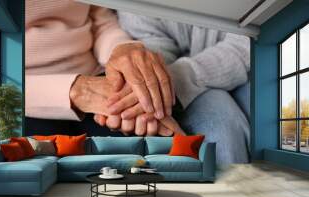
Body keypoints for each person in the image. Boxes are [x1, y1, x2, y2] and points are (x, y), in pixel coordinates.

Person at [96, 12, 251, 164]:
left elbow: (248, 44)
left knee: (263, 113)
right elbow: (155, 40)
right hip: (185, 77)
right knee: (220, 130)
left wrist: (162, 86)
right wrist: (143, 84)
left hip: (257, 65)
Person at [25, 0, 183, 136]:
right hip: (23, 97)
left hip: (97, 77)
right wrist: (76, 92)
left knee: (154, 110)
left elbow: (100, 22)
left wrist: (121, 53)